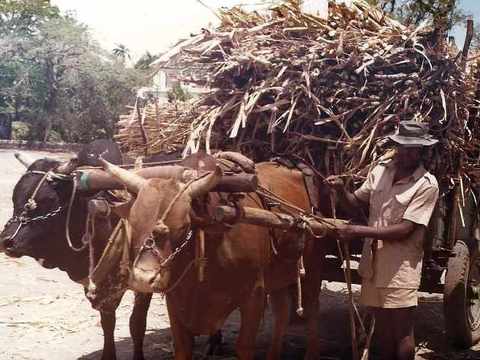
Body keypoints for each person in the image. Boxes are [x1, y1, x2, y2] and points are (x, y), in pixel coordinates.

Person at [326, 121, 439, 360]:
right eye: (402, 147)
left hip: (400, 267)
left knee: (402, 334)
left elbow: (405, 230)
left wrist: (357, 231)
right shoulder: (380, 171)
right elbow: (356, 202)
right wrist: (339, 191)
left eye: (413, 148)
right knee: (382, 331)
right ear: (396, 146)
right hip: (373, 265)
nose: (406, 153)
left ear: (422, 151)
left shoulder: (427, 185)